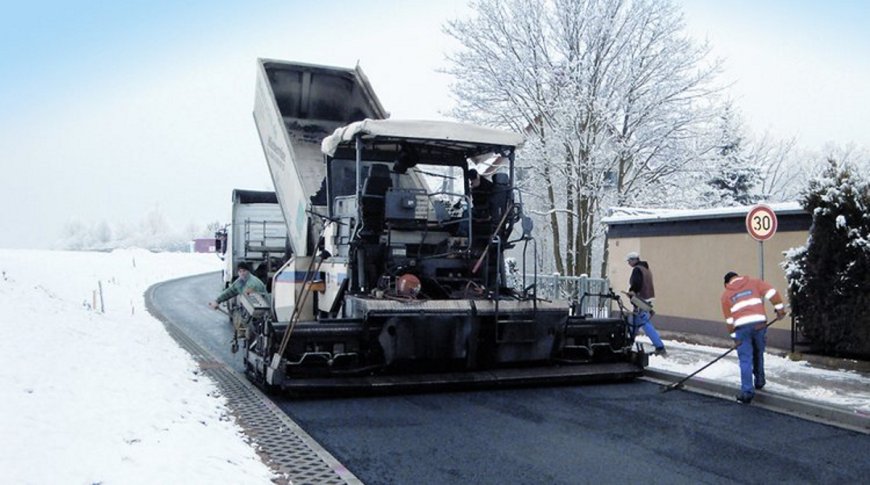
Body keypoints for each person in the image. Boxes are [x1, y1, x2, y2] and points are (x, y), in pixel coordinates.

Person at [720, 271, 787, 404]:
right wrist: (780, 310)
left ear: (727, 283)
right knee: (758, 352)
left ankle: (747, 393)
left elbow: (729, 320)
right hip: (759, 325)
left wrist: (735, 338)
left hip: (741, 328)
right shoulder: (754, 283)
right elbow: (772, 292)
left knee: (745, 359)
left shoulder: (726, 295)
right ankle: (760, 381)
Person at [626, 251, 666, 356]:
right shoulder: (646, 269)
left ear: (634, 260)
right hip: (647, 298)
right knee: (634, 322)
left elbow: (637, 283)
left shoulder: (637, 270)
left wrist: (632, 291)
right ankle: (628, 343)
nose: (628, 263)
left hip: (640, 300)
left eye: (629, 261)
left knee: (644, 323)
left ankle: (660, 347)